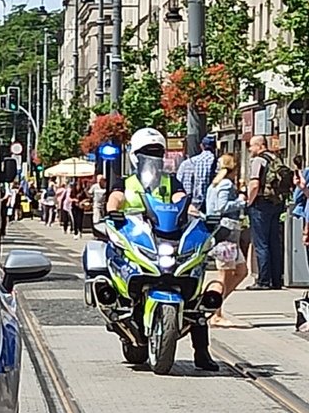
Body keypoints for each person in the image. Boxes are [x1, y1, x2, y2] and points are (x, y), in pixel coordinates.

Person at [106, 127, 217, 371]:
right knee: (111, 265)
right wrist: (113, 210)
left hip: (167, 239)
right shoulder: (127, 182)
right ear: (136, 155)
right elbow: (115, 198)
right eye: (148, 153)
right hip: (138, 239)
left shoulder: (170, 180)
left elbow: (182, 200)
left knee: (195, 292)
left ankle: (202, 353)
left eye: (157, 153)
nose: (153, 158)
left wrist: (194, 214)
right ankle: (115, 303)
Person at [205, 152, 249, 328]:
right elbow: (221, 206)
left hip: (225, 231)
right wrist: (240, 201)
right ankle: (215, 313)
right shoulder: (225, 184)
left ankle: (215, 303)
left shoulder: (214, 185)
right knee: (225, 273)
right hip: (226, 231)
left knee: (241, 270)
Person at [245, 134, 285, 290]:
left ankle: (263, 281)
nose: (250, 148)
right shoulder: (276, 158)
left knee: (261, 243)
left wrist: (249, 202)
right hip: (276, 203)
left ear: (260, 146)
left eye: (252, 145)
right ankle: (276, 280)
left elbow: (254, 184)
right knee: (274, 242)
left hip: (261, 204)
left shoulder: (258, 160)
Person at [176, 135, 217, 213]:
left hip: (189, 206)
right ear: (215, 147)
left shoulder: (187, 163)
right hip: (210, 206)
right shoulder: (219, 163)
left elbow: (178, 182)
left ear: (201, 146)